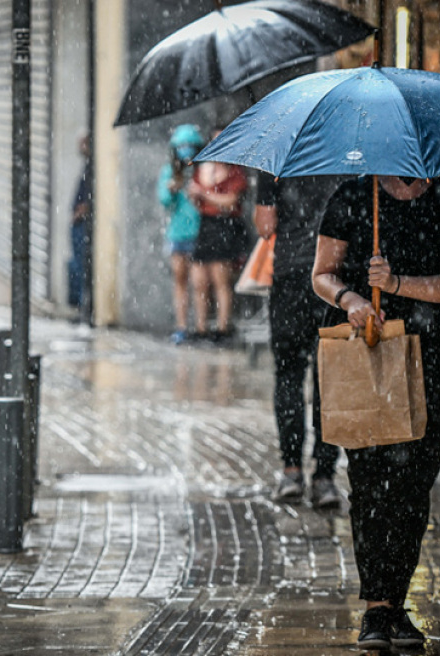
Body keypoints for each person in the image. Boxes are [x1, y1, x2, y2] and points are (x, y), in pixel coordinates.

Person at [312, 175, 440, 650]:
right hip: (368, 358)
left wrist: (397, 283)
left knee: (412, 488)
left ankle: (395, 601)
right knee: (369, 484)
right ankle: (376, 610)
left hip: (437, 363)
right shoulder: (352, 196)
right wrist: (351, 299)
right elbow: (323, 274)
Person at [253, 173, 344, 507]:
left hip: (291, 277)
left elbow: (265, 227)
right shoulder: (348, 150)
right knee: (329, 380)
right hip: (336, 282)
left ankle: (291, 471)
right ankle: (324, 477)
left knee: (289, 374)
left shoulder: (278, 158)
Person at [186, 130, 248, 342]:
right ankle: (200, 327)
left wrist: (205, 194)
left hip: (225, 227)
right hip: (206, 225)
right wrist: (198, 195)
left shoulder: (234, 171)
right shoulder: (203, 169)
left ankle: (223, 327)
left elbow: (231, 201)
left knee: (221, 278)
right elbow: (200, 200)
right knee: (199, 279)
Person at [156, 124, 205, 344]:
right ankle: (182, 326)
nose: (186, 150)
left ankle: (201, 326)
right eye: (182, 146)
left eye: (190, 146)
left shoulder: (202, 170)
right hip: (178, 233)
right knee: (180, 281)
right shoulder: (169, 171)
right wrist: (171, 189)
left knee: (199, 283)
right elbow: (164, 200)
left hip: (199, 232)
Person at [69, 132, 93, 320]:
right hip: (79, 224)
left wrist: (79, 213)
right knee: (77, 264)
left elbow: (89, 200)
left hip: (82, 224)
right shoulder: (87, 167)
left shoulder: (92, 168)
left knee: (81, 265)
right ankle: (79, 305)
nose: (80, 146)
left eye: (83, 143)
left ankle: (82, 305)